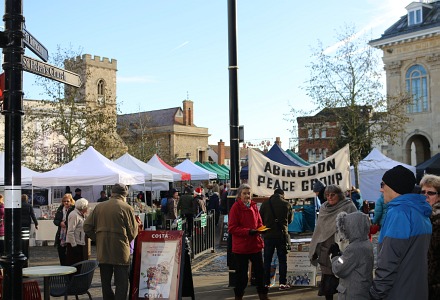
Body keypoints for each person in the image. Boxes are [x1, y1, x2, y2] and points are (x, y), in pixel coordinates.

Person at [369, 165, 432, 300]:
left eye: (383, 184)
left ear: (394, 187)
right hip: (417, 290)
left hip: (398, 291)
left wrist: (376, 294)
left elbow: (389, 261)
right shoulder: (419, 211)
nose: (381, 189)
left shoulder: (399, 213)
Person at [84, 183, 139, 300]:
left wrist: (97, 239)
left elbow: (87, 227)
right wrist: (125, 240)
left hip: (103, 249)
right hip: (121, 250)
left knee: (105, 282)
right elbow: (133, 232)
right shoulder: (126, 207)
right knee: (122, 282)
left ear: (112, 193)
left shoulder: (99, 207)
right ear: (124, 195)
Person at [308, 184, 357, 300]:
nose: (329, 197)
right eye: (327, 195)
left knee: (344, 280)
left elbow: (356, 225)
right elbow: (319, 229)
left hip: (343, 248)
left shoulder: (348, 206)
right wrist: (314, 247)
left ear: (339, 195)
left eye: (332, 194)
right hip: (326, 248)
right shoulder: (324, 207)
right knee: (328, 284)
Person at [228, 184, 269, 300]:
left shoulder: (254, 205)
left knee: (260, 273)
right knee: (242, 276)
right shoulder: (235, 208)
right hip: (241, 247)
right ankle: (238, 296)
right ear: (239, 195)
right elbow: (232, 228)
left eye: (248, 193)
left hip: (254, 245)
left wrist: (262, 229)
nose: (247, 195)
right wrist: (248, 231)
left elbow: (259, 222)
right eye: (244, 193)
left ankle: (263, 296)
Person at [329, 211, 374, 299]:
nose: (345, 230)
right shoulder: (366, 243)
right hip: (362, 290)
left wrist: (335, 256)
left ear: (352, 227)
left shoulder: (354, 248)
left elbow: (339, 269)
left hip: (352, 293)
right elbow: (352, 261)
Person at [259, 188, 293, 290]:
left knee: (267, 260)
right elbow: (290, 220)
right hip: (281, 236)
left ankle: (266, 283)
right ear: (282, 195)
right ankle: (282, 283)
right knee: (282, 260)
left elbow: (260, 219)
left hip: (268, 236)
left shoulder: (265, 204)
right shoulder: (287, 204)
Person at [419, 173, 440, 299]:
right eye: (423, 192)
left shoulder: (436, 219)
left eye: (431, 193)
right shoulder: (424, 216)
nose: (425, 196)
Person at [53, 193, 75, 265]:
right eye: (64, 201)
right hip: (61, 233)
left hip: (70, 232)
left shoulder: (73, 209)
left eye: (67, 201)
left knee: (69, 252)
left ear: (71, 201)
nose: (66, 203)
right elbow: (55, 220)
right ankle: (63, 266)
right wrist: (60, 223)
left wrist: (66, 224)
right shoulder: (60, 209)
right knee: (61, 251)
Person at [66, 198, 88, 266]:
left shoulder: (80, 215)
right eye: (86, 206)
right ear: (83, 207)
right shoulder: (74, 215)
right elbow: (70, 231)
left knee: (79, 265)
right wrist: (74, 245)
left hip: (79, 242)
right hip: (74, 244)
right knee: (75, 265)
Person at [21, 194, 39, 268]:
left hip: (19, 225)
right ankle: (26, 258)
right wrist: (36, 223)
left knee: (20, 240)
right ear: (27, 199)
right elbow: (32, 215)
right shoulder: (29, 206)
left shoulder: (18, 206)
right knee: (26, 240)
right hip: (26, 224)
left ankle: (22, 250)